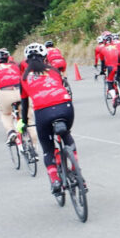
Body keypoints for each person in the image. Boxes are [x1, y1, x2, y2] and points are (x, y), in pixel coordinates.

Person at [19, 43, 76, 196]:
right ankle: (76, 171)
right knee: (66, 135)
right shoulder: (54, 70)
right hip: (66, 107)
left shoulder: (23, 77)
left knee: (48, 149)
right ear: (45, 58)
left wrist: (24, 122)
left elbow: (24, 104)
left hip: (43, 112)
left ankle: (55, 180)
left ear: (26, 60)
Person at [0, 49, 24, 145]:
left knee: (6, 114)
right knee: (24, 113)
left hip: (5, 93)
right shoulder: (15, 66)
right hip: (20, 91)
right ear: (8, 59)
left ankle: (10, 131)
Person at [99, 33, 120, 108]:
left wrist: (102, 71)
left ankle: (114, 97)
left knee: (110, 82)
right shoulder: (118, 46)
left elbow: (102, 62)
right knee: (119, 77)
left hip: (110, 67)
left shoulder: (102, 49)